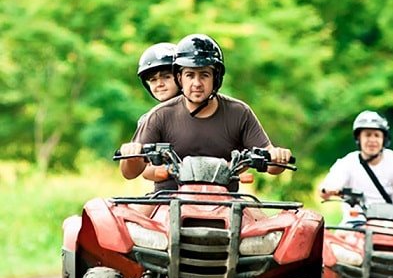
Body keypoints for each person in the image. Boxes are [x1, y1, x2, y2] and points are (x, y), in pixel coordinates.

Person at [119, 33, 292, 190]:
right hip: (167, 202)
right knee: (127, 223)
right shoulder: (159, 115)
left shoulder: (239, 113)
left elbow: (272, 165)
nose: (197, 83)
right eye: (189, 75)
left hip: (229, 205)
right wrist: (131, 156)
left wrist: (278, 156)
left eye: (204, 75)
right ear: (179, 78)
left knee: (268, 224)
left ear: (216, 78)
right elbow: (129, 173)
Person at [135, 42, 180, 185]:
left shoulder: (205, 112)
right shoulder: (149, 119)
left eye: (166, 77)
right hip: (167, 196)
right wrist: (165, 170)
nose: (159, 83)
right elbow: (145, 170)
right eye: (153, 80)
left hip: (214, 193)